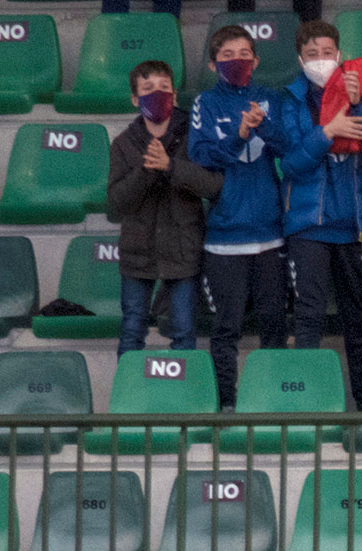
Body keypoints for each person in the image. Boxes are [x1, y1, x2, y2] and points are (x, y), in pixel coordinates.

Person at [276, 20, 362, 410]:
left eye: (327, 53)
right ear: (300, 59)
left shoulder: (359, 90)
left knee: (359, 323)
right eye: (312, 55)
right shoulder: (290, 101)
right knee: (308, 320)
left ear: (339, 55)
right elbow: (289, 164)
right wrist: (327, 132)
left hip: (355, 225)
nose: (321, 61)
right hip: (309, 226)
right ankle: (307, 405)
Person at [187, 25, 291, 411]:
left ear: (257, 60)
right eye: (228, 55)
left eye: (245, 53)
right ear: (214, 64)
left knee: (274, 326)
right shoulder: (205, 103)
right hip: (225, 236)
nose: (238, 61)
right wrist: (240, 135)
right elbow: (200, 157)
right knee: (225, 329)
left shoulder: (269, 98)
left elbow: (288, 147)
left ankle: (274, 401)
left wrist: (263, 125)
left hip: (270, 234)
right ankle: (227, 404)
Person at [108, 60, 219, 355]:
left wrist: (171, 167)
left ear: (174, 94)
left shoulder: (194, 134)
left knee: (183, 331)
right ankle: (128, 399)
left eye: (164, 88)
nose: (156, 94)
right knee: (132, 330)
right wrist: (146, 170)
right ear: (135, 98)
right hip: (138, 252)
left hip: (183, 249)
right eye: (147, 89)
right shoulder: (123, 143)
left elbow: (212, 185)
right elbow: (116, 203)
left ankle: (183, 399)